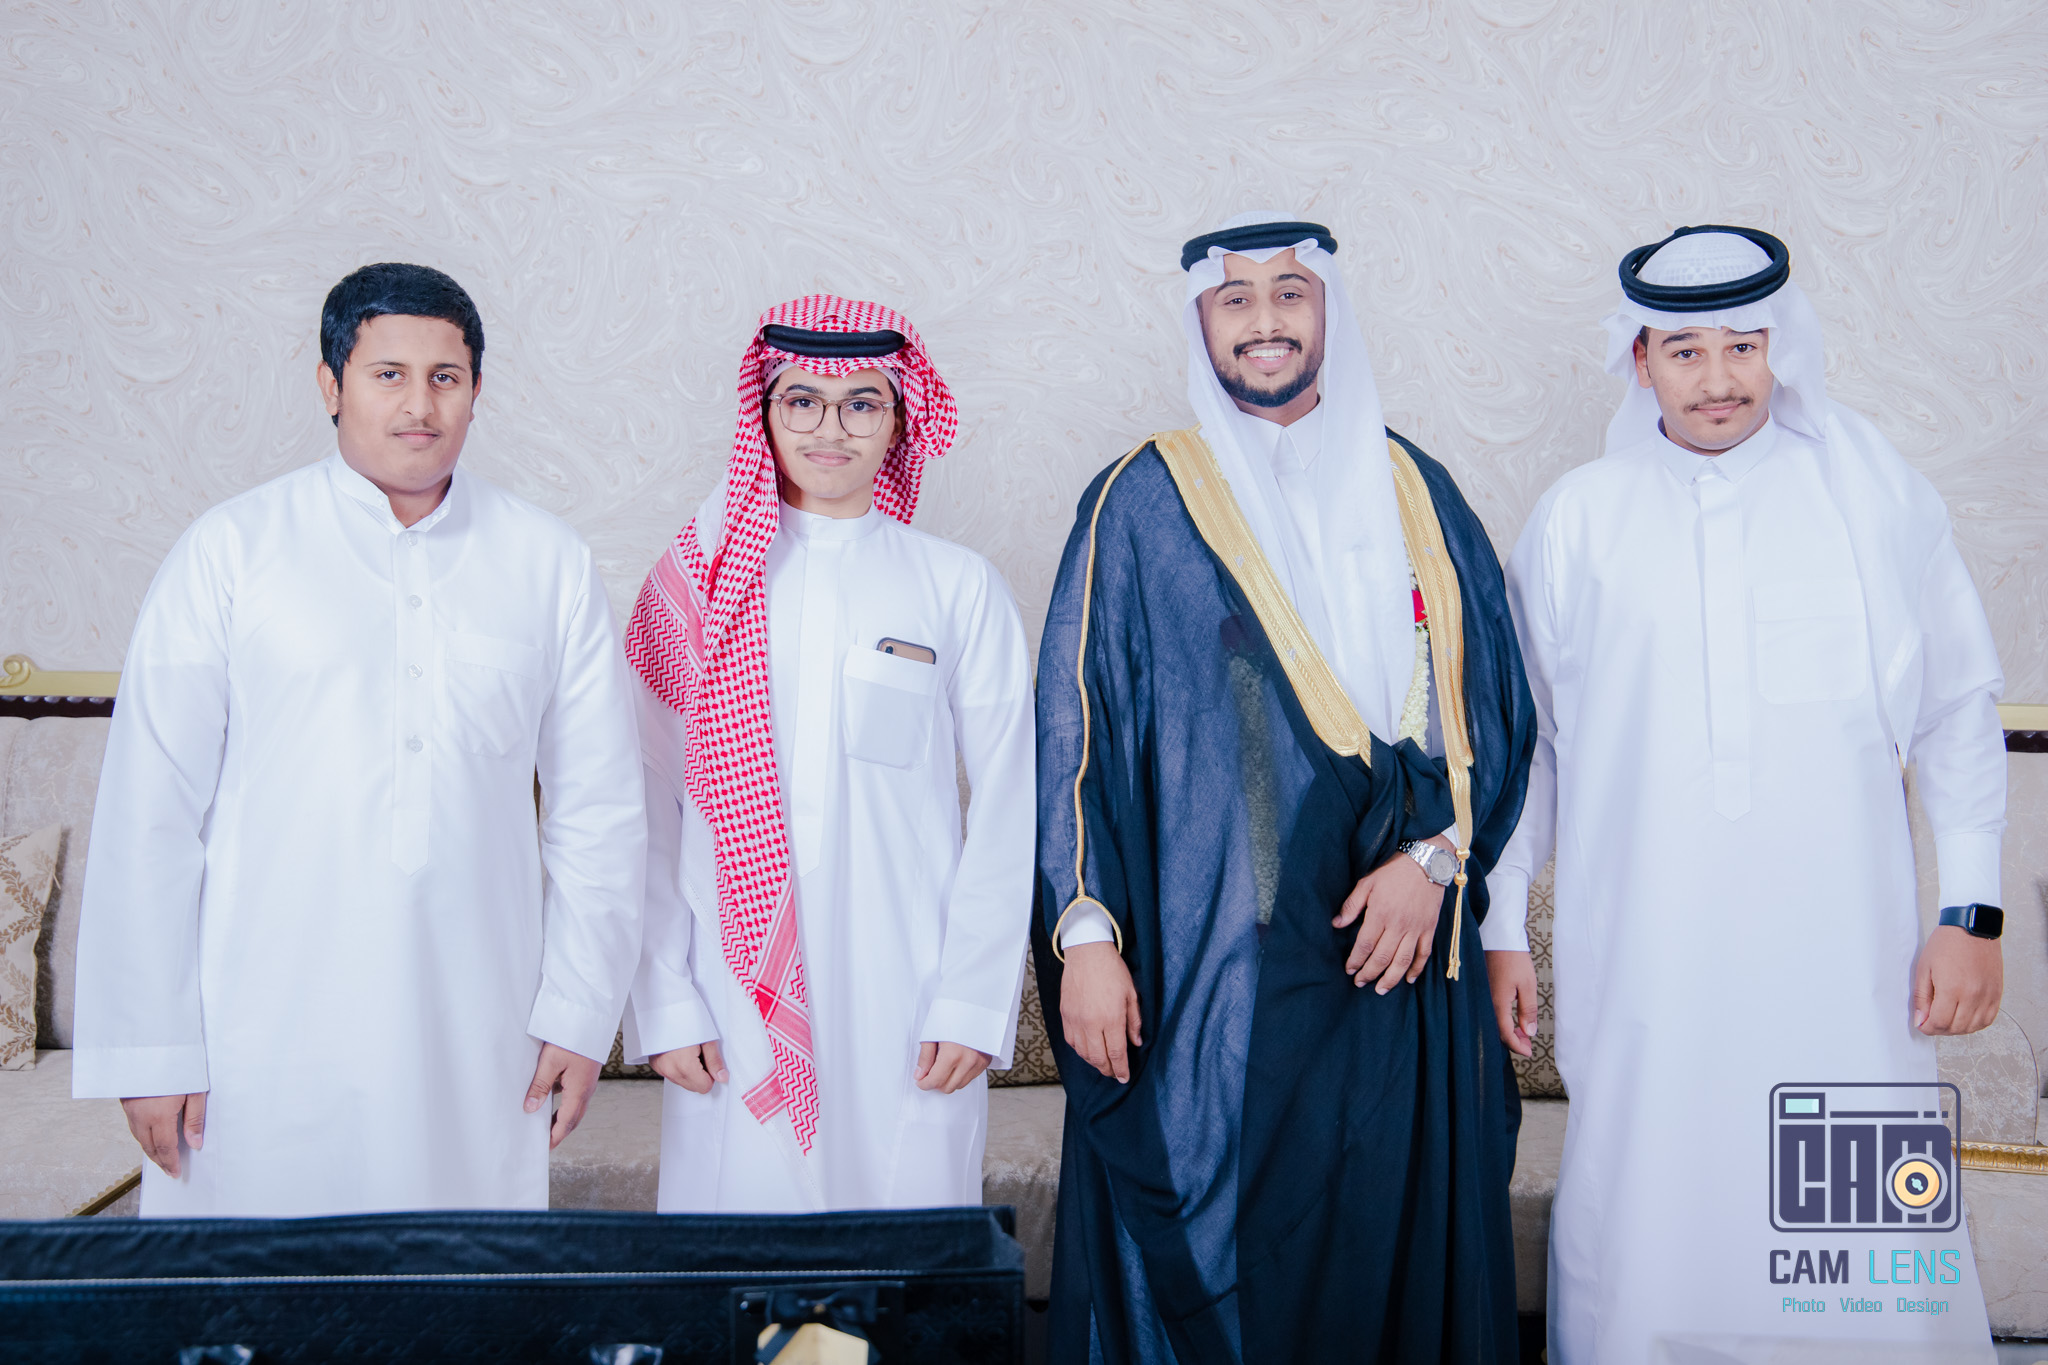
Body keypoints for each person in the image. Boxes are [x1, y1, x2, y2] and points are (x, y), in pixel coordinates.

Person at [1490, 226, 2006, 1361]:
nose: (1717, 378)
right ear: (1639, 362)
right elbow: (1529, 748)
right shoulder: (1577, 520)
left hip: (1845, 959)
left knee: (1855, 1243)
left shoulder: (1870, 501)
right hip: (1647, 955)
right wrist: (1501, 923)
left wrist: (1969, 912)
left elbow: (1957, 707)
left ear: (1783, 348)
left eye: (1742, 346)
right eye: (1684, 351)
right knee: (1651, 1211)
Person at [1034, 212, 1535, 1363]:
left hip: (1400, 958)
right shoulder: (1141, 499)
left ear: (1327, 313)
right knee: (1229, 1248)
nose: (1264, 322)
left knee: (1389, 1246)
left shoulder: (1416, 488)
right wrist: (1086, 938)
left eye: (1288, 294)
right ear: (1201, 323)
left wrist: (1435, 859)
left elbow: (1494, 708)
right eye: (1236, 300)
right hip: (1219, 970)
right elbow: (1075, 729)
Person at [70, 263, 647, 1216]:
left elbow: (600, 811)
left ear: (476, 391)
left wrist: (582, 1015)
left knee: (453, 1286)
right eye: (388, 374)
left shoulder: (548, 562)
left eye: (444, 377)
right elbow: (150, 811)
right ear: (330, 385)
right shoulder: (232, 551)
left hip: (476, 1034)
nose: (419, 404)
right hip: (258, 1036)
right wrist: (149, 1048)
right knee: (259, 1287)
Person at [623, 296, 1033, 1212]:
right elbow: (647, 803)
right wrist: (666, 996)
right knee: (742, 1262)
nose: (830, 428)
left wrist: (972, 1000)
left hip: (908, 990)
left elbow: (1012, 804)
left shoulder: (957, 585)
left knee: (904, 1257)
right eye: (802, 400)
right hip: (729, 995)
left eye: (861, 403)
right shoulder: (695, 585)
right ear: (764, 413)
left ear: (900, 419)